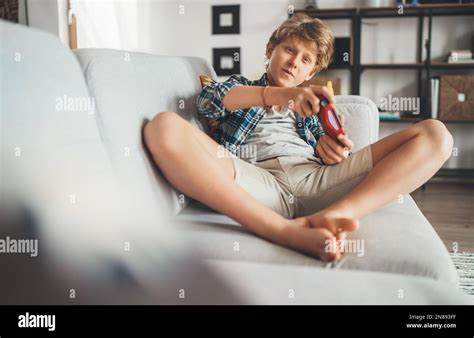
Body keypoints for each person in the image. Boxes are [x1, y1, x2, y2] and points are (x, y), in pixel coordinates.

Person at [144, 14, 453, 261]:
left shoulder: (314, 110)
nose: (294, 62)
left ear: (311, 73)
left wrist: (333, 150)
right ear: (270, 51)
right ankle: (282, 231)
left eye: (306, 60)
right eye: (289, 50)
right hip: (256, 182)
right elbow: (208, 101)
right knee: (163, 127)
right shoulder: (241, 88)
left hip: (316, 181)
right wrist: (283, 95)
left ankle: (335, 217)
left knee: (436, 134)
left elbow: (328, 146)